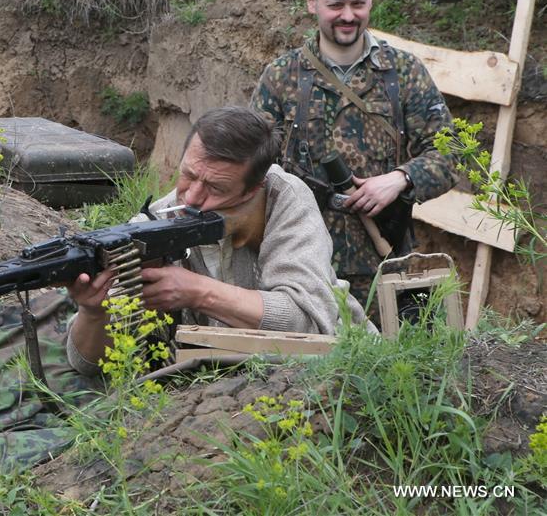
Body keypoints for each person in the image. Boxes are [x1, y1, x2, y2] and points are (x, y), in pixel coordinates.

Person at [66, 106, 372, 376]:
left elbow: (307, 323)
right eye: (188, 175)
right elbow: (90, 364)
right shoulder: (154, 223)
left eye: (216, 187)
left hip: (346, 371)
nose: (193, 197)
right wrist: (94, 313)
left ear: (253, 189)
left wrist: (197, 293)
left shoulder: (283, 198)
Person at [249, 0, 458, 316]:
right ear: (312, 3)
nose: (348, 16)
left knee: (400, 367)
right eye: (335, 5)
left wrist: (400, 178)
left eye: (358, 4)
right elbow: (251, 165)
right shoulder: (282, 78)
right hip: (303, 266)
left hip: (385, 263)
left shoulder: (403, 73)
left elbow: (449, 154)